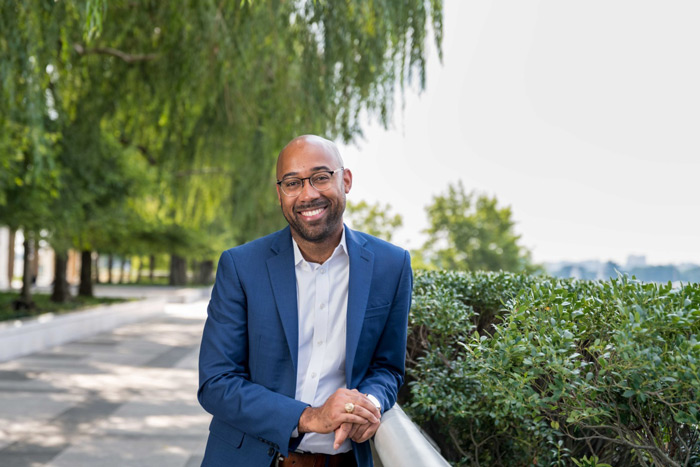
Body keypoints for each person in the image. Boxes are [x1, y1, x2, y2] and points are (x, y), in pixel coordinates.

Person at [198, 135, 413, 466]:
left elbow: (387, 367)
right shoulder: (241, 266)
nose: (308, 194)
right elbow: (216, 383)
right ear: (279, 194)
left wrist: (365, 404)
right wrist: (311, 416)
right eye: (293, 183)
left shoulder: (392, 265)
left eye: (321, 177)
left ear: (346, 180)